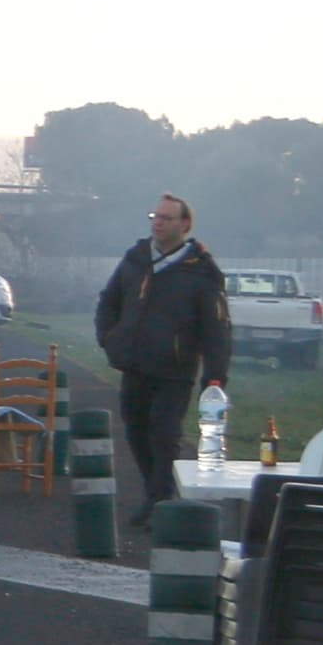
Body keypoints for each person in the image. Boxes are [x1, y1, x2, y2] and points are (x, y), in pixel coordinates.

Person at [94, 190, 231, 526]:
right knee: (136, 431)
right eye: (155, 216)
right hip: (135, 364)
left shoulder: (201, 271)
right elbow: (109, 301)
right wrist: (109, 338)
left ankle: (160, 501)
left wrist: (215, 377)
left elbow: (217, 329)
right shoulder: (136, 259)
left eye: (167, 218)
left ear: (184, 225)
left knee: (165, 434)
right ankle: (155, 493)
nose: (158, 223)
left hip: (175, 369)